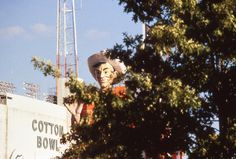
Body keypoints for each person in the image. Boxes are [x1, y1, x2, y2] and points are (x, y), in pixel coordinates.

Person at [64, 51, 126, 124]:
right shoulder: (88, 100)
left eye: (105, 72)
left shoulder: (121, 93)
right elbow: (80, 129)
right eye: (98, 72)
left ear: (114, 74)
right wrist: (76, 114)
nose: (101, 76)